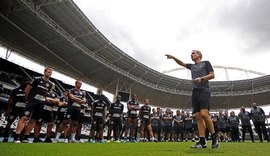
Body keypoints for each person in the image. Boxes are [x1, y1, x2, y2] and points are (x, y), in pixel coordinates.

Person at [166, 50, 218, 148]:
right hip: (195, 92)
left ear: (199, 55)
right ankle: (202, 141)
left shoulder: (206, 63)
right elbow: (181, 63)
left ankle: (214, 137)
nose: (191, 54)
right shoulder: (192, 66)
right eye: (191, 53)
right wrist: (173, 57)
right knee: (198, 117)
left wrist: (201, 78)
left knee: (204, 114)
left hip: (204, 91)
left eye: (194, 53)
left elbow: (212, 75)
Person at [13, 67, 54, 143]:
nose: (50, 74)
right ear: (44, 72)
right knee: (24, 118)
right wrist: (28, 99)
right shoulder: (36, 79)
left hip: (41, 104)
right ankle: (16, 137)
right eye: (48, 72)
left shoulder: (50, 84)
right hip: (32, 102)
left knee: (33, 120)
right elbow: (27, 89)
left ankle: (25, 137)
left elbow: (45, 94)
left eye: (51, 73)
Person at [2, 78, 29, 142]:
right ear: (22, 82)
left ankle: (21, 138)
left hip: (23, 109)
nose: (27, 84)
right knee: (9, 122)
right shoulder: (15, 90)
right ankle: (5, 137)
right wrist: (8, 109)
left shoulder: (29, 92)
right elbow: (10, 100)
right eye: (26, 82)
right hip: (15, 108)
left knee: (24, 123)